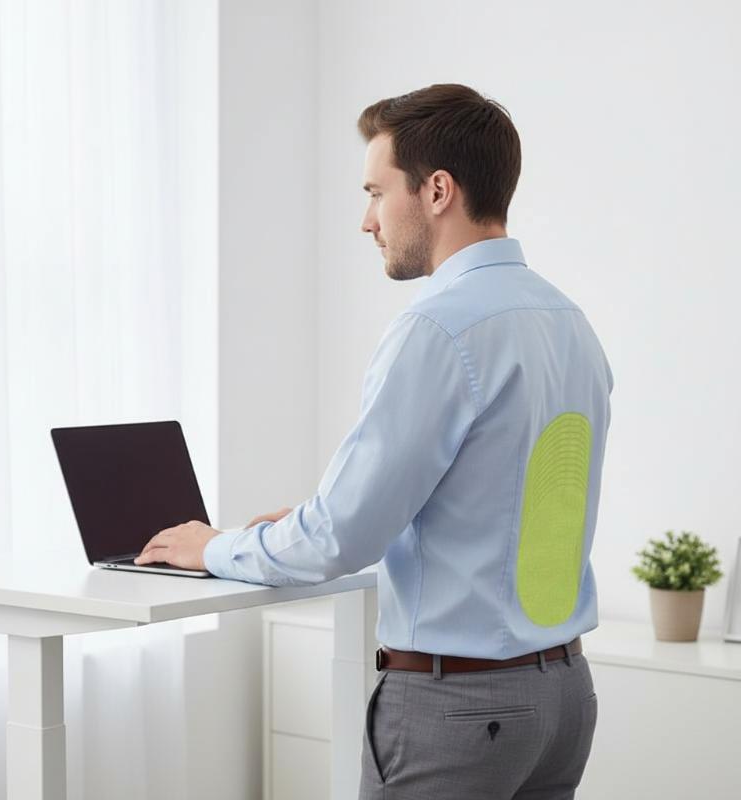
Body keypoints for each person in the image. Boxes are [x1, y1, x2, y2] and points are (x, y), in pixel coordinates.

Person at [135, 82, 613, 799]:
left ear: (437, 191)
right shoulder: (568, 321)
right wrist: (315, 518)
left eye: (376, 192)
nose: (367, 221)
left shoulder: (438, 329)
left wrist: (215, 548)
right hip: (562, 699)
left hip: (460, 710)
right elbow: (501, 498)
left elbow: (338, 540)